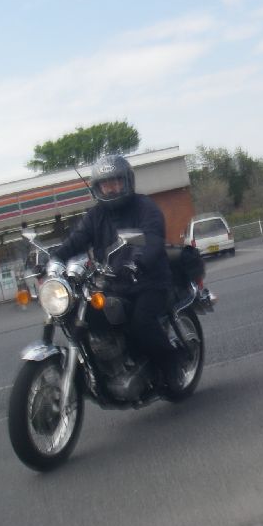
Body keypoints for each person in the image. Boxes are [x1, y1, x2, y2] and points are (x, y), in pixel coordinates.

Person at [50, 155, 178, 388]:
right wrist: (56, 258)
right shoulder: (96, 215)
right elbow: (77, 239)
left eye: (115, 182)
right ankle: (110, 366)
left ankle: (171, 366)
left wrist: (138, 263)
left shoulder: (144, 207)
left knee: (141, 322)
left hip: (149, 280)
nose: (110, 188)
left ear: (127, 181)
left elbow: (152, 238)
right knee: (88, 315)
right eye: (105, 184)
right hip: (113, 283)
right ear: (97, 188)